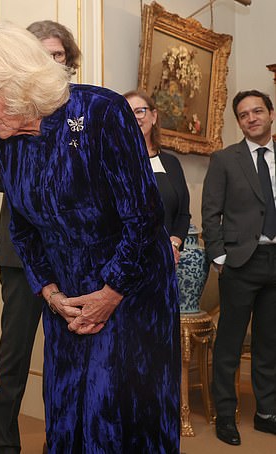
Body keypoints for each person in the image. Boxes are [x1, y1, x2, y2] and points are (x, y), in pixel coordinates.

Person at [0, 22, 180, 453]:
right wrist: (50, 292)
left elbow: (143, 217)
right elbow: (23, 224)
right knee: (68, 414)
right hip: (67, 301)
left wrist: (110, 293)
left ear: (20, 85)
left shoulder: (101, 113)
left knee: (117, 415)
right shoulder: (5, 139)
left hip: (130, 293)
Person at [0, 20, 81, 454]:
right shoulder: (1, 112)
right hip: (21, 258)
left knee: (69, 361)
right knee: (13, 361)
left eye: (58, 55)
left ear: (69, 62)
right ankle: (5, 447)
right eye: (40, 54)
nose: (50, 63)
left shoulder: (85, 113)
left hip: (75, 258)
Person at [201, 89, 276, 446]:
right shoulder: (225, 159)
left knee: (269, 343)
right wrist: (220, 258)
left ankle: (266, 414)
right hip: (240, 264)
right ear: (239, 122)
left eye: (257, 111)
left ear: (271, 113)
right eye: (244, 115)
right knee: (229, 346)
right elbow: (210, 211)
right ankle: (225, 416)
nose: (251, 118)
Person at [124, 90, 190, 264]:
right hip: (124, 264)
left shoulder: (172, 163)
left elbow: (183, 214)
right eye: (127, 113)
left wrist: (173, 245)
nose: (134, 118)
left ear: (153, 116)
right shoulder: (111, 163)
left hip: (164, 263)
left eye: (139, 111)